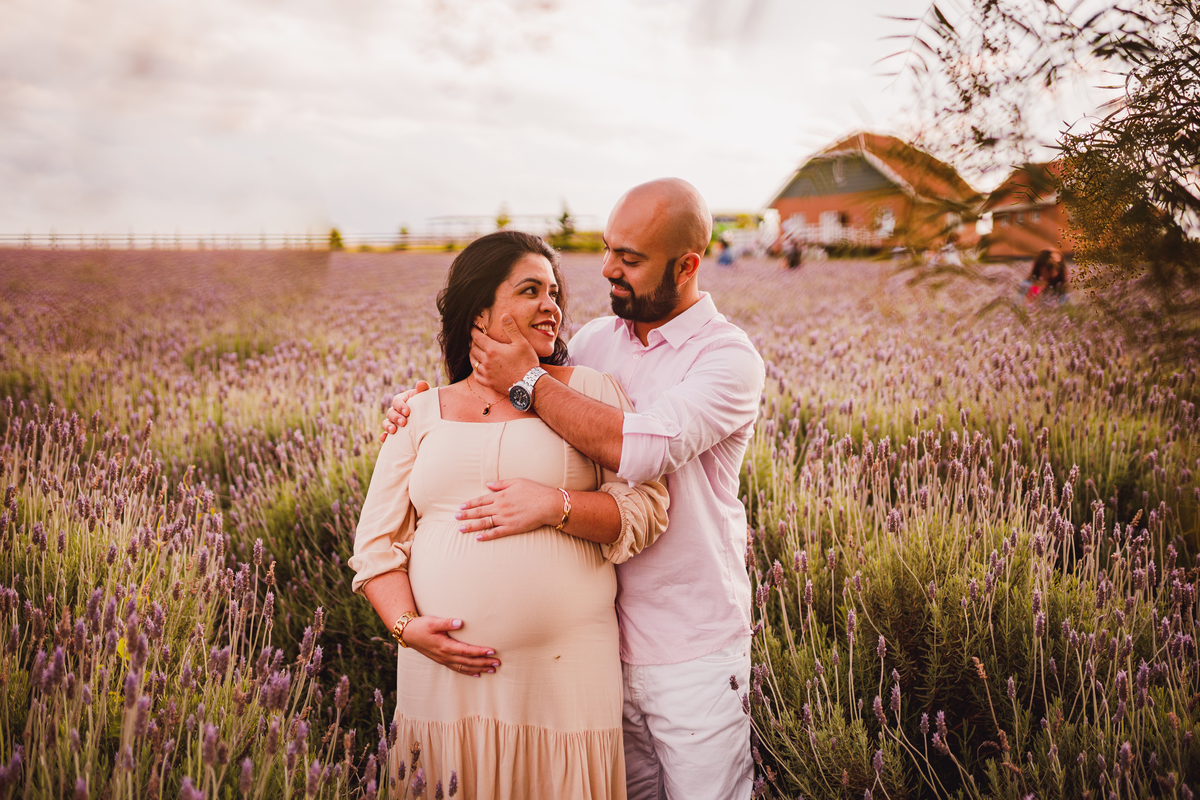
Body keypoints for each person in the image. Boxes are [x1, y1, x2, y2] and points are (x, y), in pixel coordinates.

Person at [384, 179, 765, 800]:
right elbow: (498, 406)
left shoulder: (726, 359)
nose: (608, 269)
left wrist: (531, 389)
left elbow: (639, 451)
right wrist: (417, 406)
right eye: (610, 249)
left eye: (631, 259)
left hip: (687, 644)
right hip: (600, 650)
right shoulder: (594, 344)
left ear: (689, 266)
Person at [351, 230, 669, 800]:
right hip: (442, 682)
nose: (552, 306)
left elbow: (645, 509)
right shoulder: (420, 412)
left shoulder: (590, 390)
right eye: (530, 291)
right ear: (480, 312)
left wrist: (555, 505)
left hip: (563, 680)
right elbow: (376, 545)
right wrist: (407, 629)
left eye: (554, 292)